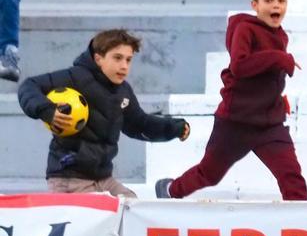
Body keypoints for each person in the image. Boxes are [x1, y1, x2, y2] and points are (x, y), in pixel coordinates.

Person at [155, 0, 307, 201]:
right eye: (268, 0)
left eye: (281, 0)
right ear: (255, 5)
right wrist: (279, 58)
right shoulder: (244, 29)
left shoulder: (280, 35)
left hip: (269, 124)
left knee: (291, 176)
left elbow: (266, 77)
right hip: (235, 122)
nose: (276, 5)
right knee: (209, 174)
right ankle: (169, 190)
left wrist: (276, 99)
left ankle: (302, 219)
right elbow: (240, 66)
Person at [18, 29, 190, 197]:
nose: (124, 66)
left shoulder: (123, 91)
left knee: (133, 207)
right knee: (102, 212)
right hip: (69, 179)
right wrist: (47, 110)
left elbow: (139, 124)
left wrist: (174, 128)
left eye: (128, 60)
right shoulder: (76, 77)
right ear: (98, 58)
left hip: (104, 179)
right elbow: (29, 86)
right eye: (117, 58)